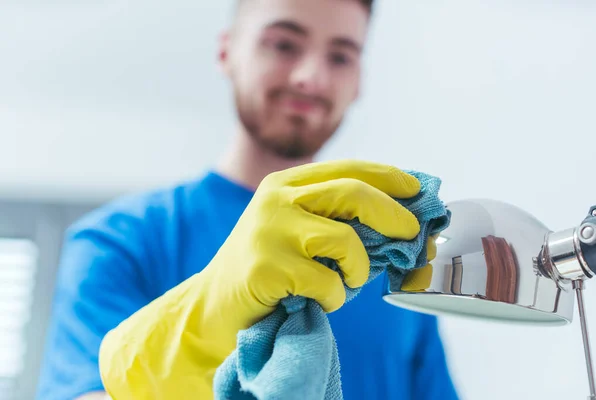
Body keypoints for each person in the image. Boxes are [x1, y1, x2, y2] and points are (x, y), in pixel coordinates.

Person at [35, 0, 459, 399]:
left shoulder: (395, 256)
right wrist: (203, 324)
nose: (310, 76)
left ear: (359, 80)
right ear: (227, 52)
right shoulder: (116, 240)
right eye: (284, 44)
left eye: (340, 56)